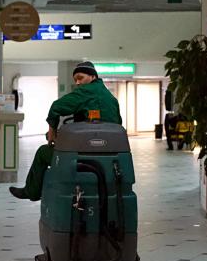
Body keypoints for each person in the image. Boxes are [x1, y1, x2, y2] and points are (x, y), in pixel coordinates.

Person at [9, 61, 122, 201]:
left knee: (43, 152)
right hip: (110, 154)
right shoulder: (111, 98)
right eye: (75, 80)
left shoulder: (86, 91)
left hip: (84, 155)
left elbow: (56, 107)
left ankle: (31, 191)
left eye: (80, 78)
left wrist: (52, 131)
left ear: (92, 77)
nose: (78, 82)